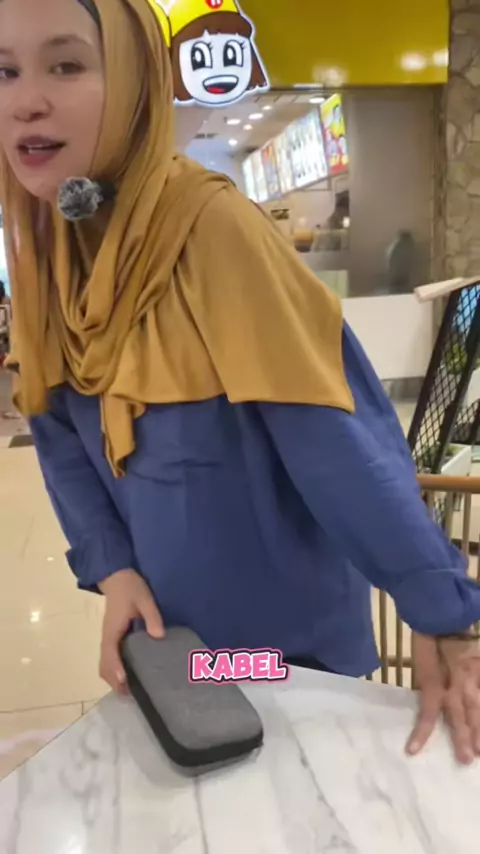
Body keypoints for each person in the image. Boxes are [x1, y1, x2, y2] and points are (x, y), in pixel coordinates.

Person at [1, 0, 480, 767]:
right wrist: (112, 566)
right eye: (4, 71)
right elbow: (57, 429)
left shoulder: (206, 228)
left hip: (291, 656)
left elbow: (332, 436)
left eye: (66, 64)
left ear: (134, 82)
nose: (27, 99)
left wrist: (440, 609)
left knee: (302, 800)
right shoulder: (53, 250)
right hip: (176, 647)